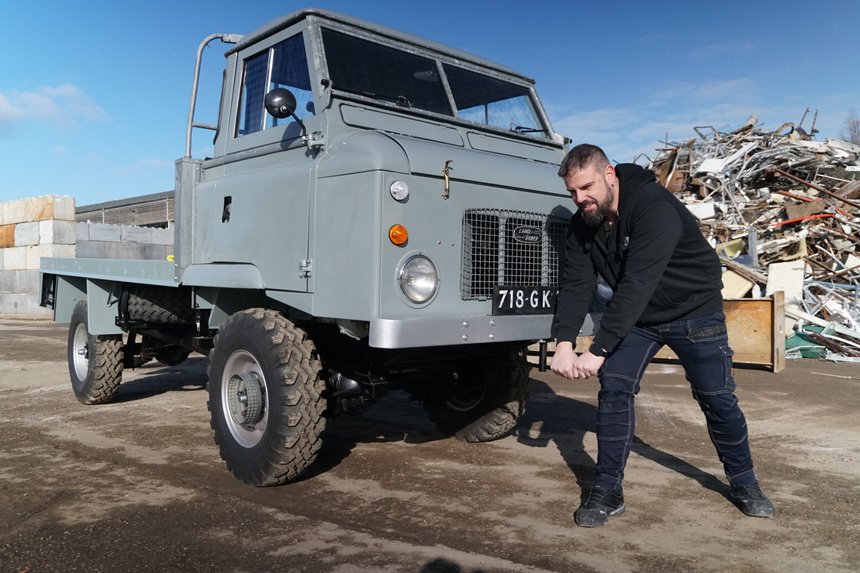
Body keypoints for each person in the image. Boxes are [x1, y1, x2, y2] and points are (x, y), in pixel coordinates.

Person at [550, 143, 774, 527]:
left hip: (693, 310)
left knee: (716, 399)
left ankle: (745, 482)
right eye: (572, 191)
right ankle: (607, 489)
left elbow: (638, 282)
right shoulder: (583, 222)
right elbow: (576, 285)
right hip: (639, 319)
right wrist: (565, 343)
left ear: (609, 176)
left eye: (586, 187)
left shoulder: (652, 206)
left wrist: (599, 349)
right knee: (614, 389)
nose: (580, 198)